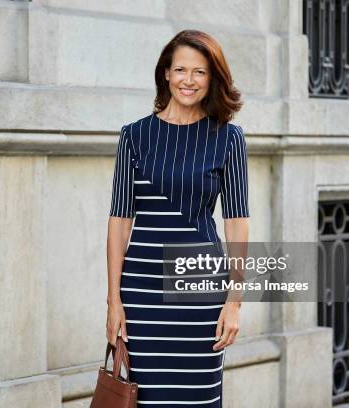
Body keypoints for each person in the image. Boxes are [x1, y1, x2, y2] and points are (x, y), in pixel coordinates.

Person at [105, 29, 250, 407]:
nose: (189, 80)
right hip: (142, 292)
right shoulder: (134, 136)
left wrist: (234, 301)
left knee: (197, 397)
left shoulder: (228, 138)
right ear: (166, 73)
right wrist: (113, 300)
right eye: (181, 69)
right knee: (147, 398)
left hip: (200, 288)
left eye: (200, 72)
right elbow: (120, 220)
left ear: (212, 78)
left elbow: (237, 222)